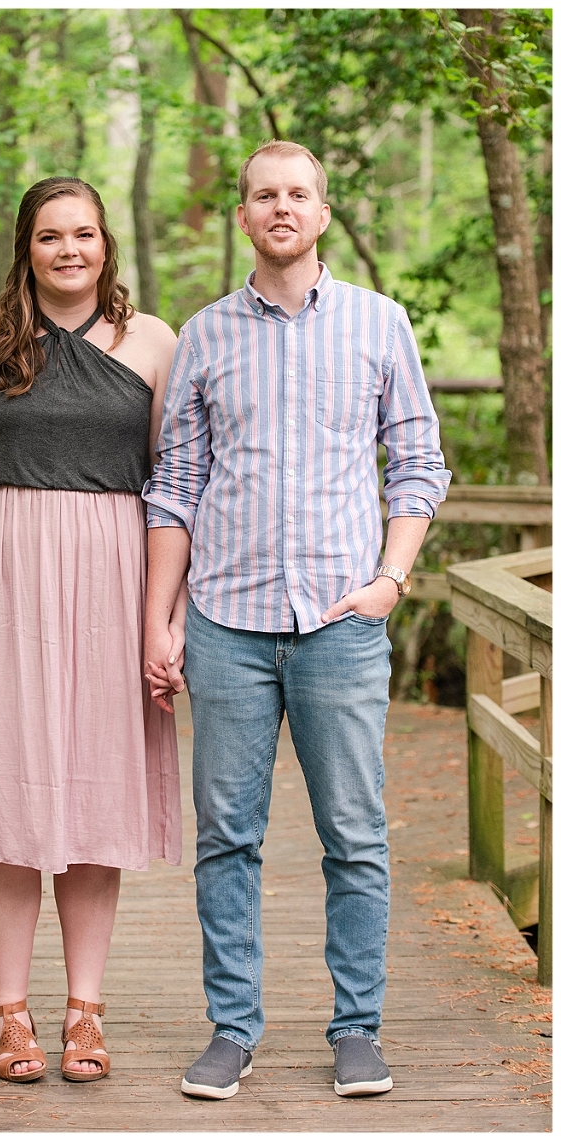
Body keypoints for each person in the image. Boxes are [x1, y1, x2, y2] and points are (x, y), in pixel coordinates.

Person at [143, 140, 451, 1100]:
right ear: (242, 215)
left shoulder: (378, 323)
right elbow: (175, 487)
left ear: (322, 212)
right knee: (225, 834)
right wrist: (161, 618)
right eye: (264, 194)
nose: (282, 207)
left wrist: (390, 582)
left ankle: (357, 1027)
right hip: (225, 621)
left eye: (298, 194)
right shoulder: (202, 336)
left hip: (340, 621)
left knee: (354, 832)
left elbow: (417, 463)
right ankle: (232, 1029)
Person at [0, 177, 182, 1085]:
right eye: (51, 236)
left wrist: (167, 614)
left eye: (86, 234)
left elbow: (176, 488)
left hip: (110, 579)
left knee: (94, 795)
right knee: (5, 797)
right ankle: (13, 1012)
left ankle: (84, 1012)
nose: (70, 249)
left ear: (107, 244)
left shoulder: (153, 343)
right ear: (25, 246)